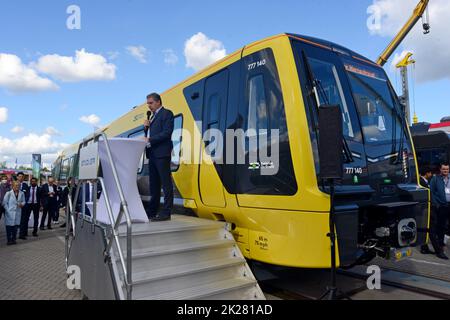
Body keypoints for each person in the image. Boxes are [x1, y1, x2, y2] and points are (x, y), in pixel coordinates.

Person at [143, 93, 174, 222]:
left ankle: (166, 212)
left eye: (150, 103)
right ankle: (152, 212)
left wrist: (150, 138)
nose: (149, 106)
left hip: (162, 154)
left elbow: (167, 133)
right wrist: (146, 128)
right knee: (154, 185)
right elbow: (148, 136)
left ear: (158, 102)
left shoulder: (166, 114)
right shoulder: (153, 118)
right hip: (152, 154)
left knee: (166, 184)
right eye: (148, 103)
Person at [429, 163, 450, 260]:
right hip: (439, 206)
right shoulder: (435, 179)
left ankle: (442, 244)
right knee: (439, 227)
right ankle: (439, 249)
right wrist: (436, 204)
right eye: (444, 169)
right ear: (440, 170)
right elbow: (431, 192)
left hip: (448, 205)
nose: (445, 171)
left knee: (444, 227)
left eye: (447, 169)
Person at [418, 167, 436, 255]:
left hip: (426, 208)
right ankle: (424, 247)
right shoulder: (421, 181)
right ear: (427, 173)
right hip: (424, 209)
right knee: (425, 228)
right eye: (431, 173)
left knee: (425, 229)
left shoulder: (424, 181)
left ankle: (424, 247)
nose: (431, 175)